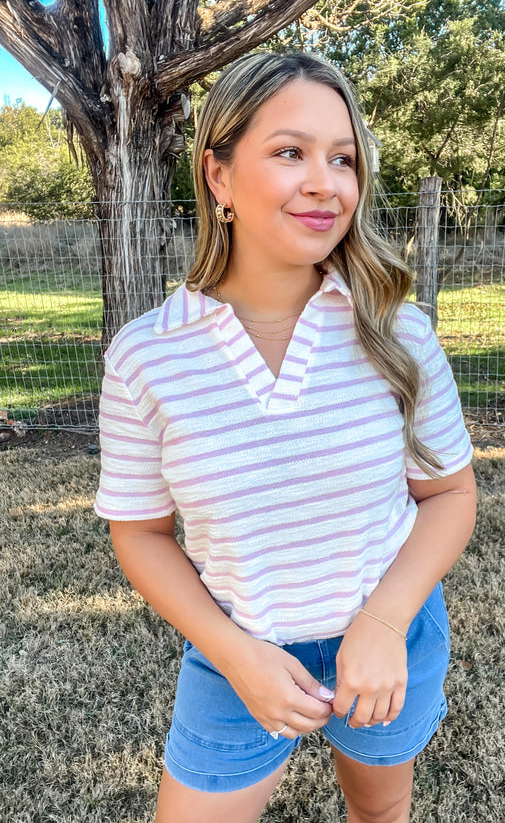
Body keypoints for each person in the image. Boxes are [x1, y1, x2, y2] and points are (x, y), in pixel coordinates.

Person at [95, 51, 476, 823]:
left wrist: (381, 624)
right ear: (219, 176)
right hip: (236, 651)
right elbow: (140, 532)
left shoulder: (396, 329)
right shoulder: (146, 355)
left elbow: (450, 494)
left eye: (343, 158)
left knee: (378, 811)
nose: (325, 181)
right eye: (290, 152)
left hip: (390, 633)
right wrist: (236, 655)